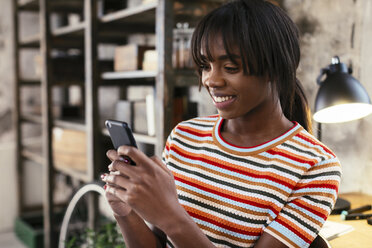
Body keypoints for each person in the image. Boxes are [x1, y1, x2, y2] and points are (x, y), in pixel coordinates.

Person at [101, 0, 342, 247]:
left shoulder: (316, 167)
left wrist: (171, 216)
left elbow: (171, 223)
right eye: (205, 65)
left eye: (229, 67)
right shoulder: (185, 136)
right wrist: (125, 213)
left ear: (274, 68)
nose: (211, 80)